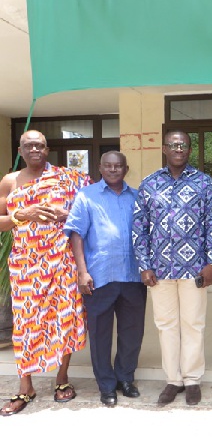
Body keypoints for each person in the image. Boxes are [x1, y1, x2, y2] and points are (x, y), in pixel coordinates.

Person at [0, 130, 89, 416]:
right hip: (25, 265)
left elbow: (92, 206)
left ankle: (62, 378)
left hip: (62, 262)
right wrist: (22, 215)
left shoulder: (69, 178)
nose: (34, 149)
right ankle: (25, 386)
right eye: (29, 146)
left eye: (39, 145)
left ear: (47, 149)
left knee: (65, 318)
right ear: (20, 150)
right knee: (26, 325)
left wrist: (69, 214)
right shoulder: (10, 181)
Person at [132, 130, 212, 406]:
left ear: (190, 149)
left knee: (193, 324)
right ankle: (173, 380)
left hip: (194, 269)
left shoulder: (204, 183)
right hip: (159, 270)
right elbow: (139, 228)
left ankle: (193, 379)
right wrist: (144, 266)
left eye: (183, 145)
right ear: (164, 149)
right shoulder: (149, 184)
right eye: (173, 145)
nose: (178, 149)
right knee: (166, 325)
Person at [64, 151, 147, 407]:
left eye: (118, 166)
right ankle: (106, 385)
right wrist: (82, 271)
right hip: (98, 277)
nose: (113, 170)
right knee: (100, 335)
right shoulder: (86, 196)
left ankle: (125, 378)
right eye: (108, 166)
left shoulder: (137, 197)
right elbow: (76, 234)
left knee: (132, 333)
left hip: (132, 275)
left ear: (126, 168)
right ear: (100, 168)